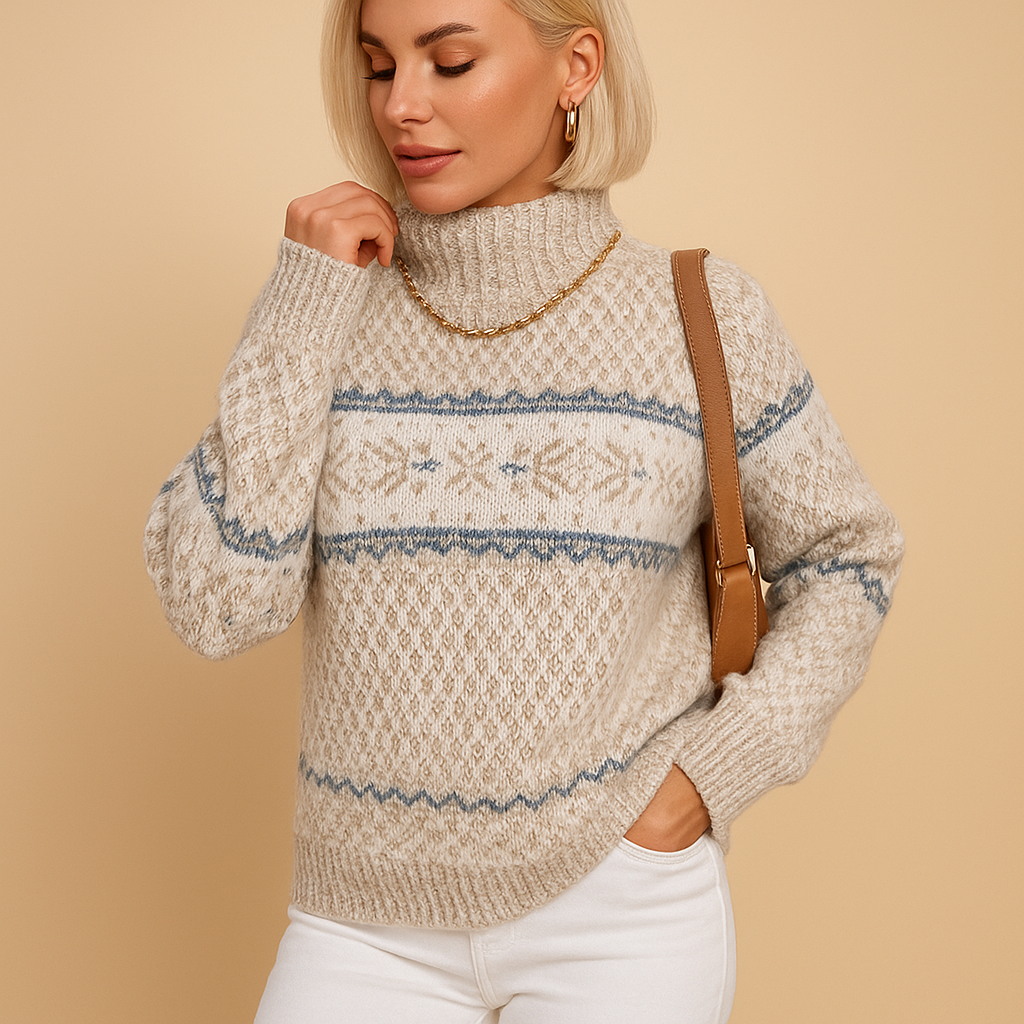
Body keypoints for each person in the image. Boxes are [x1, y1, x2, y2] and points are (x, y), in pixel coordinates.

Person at [143, 0, 904, 1020]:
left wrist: (711, 774)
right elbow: (218, 607)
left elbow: (847, 556)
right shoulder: (327, 306)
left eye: (450, 62)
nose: (401, 106)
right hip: (363, 922)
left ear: (576, 67)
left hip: (618, 908)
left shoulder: (700, 310)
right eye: (379, 65)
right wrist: (299, 305)